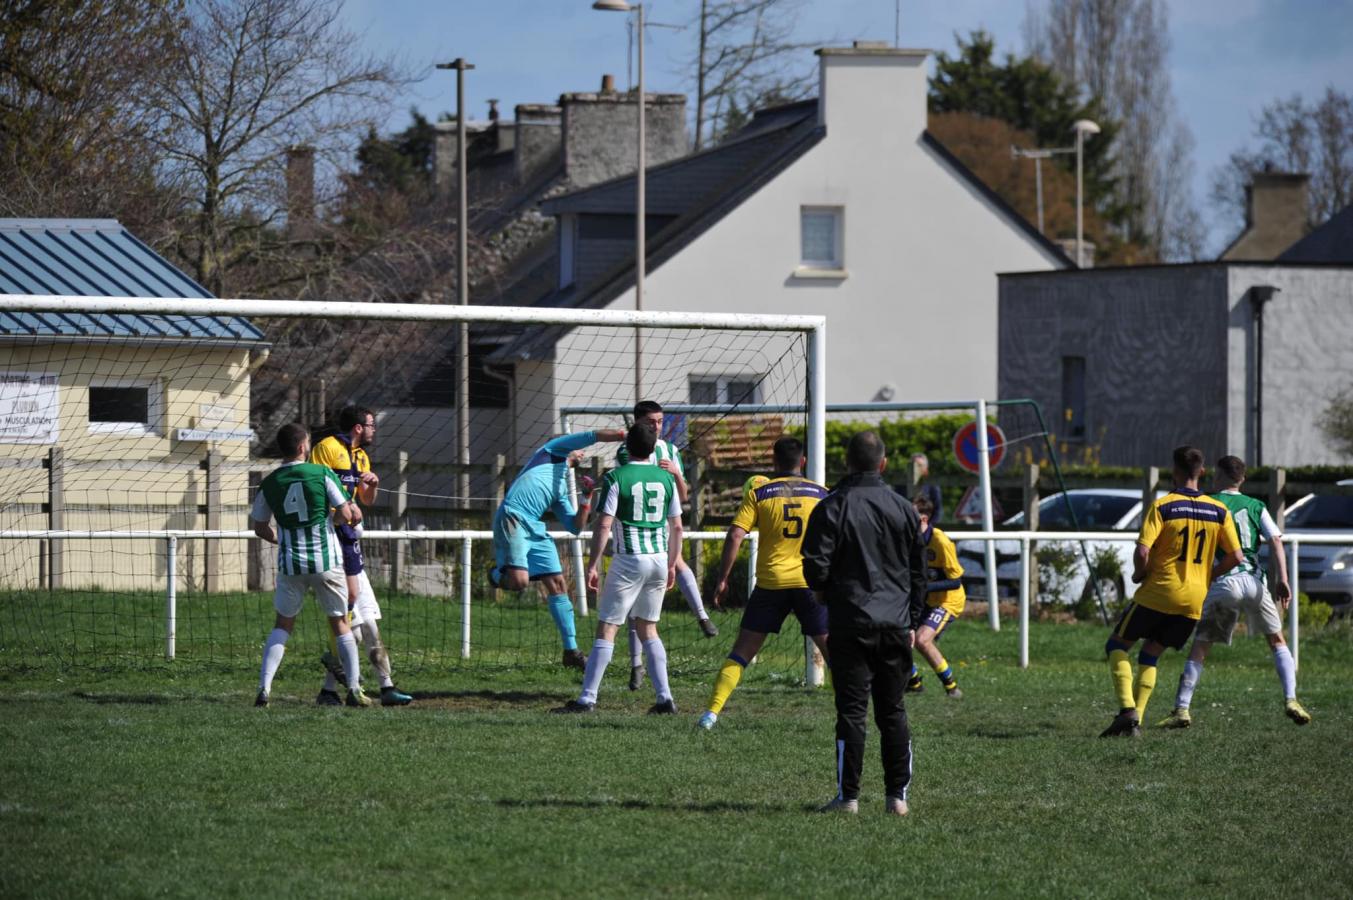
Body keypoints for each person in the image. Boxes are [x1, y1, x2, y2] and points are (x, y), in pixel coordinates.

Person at [802, 431, 927, 816]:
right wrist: (913, 620)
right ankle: (897, 799)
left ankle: (848, 798)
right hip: (894, 624)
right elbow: (919, 572)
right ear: (884, 463)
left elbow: (814, 564)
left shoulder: (832, 506)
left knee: (852, 712)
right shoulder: (905, 508)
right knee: (893, 711)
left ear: (848, 463)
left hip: (849, 622)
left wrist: (823, 595)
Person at [1100, 446, 1244, 738]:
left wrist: (1140, 574)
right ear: (1201, 472)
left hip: (1160, 591)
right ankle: (1135, 721)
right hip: (1193, 599)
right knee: (1151, 653)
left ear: (1174, 471)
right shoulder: (1219, 510)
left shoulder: (1164, 506)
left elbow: (1143, 551)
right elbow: (1236, 557)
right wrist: (1207, 576)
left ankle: (1127, 710)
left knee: (1116, 646)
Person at [1158, 456, 1311, 728]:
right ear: (1242, 480)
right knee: (1277, 641)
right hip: (1254, 582)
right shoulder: (1255, 505)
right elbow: (1276, 540)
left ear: (1218, 476)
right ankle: (1291, 698)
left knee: (1202, 646)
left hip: (1225, 582)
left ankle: (1181, 709)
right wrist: (1283, 579)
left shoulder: (1209, 501)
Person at [697, 436, 829, 731]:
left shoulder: (761, 492)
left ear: (774, 462)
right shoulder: (822, 494)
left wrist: (722, 579)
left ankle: (711, 714)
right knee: (832, 650)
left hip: (771, 583)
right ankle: (850, 709)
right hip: (810, 583)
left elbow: (734, 535)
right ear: (803, 462)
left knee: (742, 652)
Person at [554, 422, 683, 713]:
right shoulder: (666, 478)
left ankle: (587, 699)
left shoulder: (615, 477)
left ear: (625, 448)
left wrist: (592, 564)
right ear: (653, 447)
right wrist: (673, 563)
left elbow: (604, 524)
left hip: (629, 560)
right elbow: (677, 526)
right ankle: (665, 698)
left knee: (608, 627)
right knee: (648, 628)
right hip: (659, 558)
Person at [252, 423, 370, 708]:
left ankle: (264, 689)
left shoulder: (269, 483)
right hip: (325, 561)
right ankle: (354, 689)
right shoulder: (321, 473)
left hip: (291, 563)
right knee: (341, 623)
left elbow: (259, 527)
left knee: (283, 625)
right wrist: (342, 519)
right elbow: (345, 512)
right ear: (303, 447)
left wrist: (281, 539)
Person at [490, 425, 626, 668]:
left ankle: (571, 651)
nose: (579, 448)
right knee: (519, 582)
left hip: (535, 526)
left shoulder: (561, 486)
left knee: (558, 583)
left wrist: (586, 499)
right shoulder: (550, 451)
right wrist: (623, 435)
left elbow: (575, 527)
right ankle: (495, 574)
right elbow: (592, 435)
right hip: (514, 517)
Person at [310, 405, 413, 707]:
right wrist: (339, 512)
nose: (373, 430)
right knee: (355, 625)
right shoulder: (326, 448)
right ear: (358, 427)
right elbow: (315, 492)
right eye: (370, 425)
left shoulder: (361, 457)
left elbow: (363, 502)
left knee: (364, 622)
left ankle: (340, 690)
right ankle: (367, 686)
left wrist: (372, 487)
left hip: (351, 541)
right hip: (330, 542)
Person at [616, 401, 718, 694]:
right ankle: (636, 665)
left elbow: (684, 495)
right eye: (651, 421)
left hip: (663, 524)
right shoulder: (628, 451)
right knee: (638, 610)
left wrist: (675, 472)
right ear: (638, 423)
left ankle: (701, 616)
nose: (657, 427)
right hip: (636, 531)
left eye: (660, 421)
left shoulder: (669, 450)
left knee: (678, 565)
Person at [906, 494, 966, 699]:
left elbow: (956, 581)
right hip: (924, 598)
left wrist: (925, 587)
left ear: (923, 519)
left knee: (922, 640)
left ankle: (952, 687)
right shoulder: (909, 539)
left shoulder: (941, 541)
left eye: (910, 515)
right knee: (898, 635)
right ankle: (913, 683)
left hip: (947, 601)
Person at [900, 453, 942, 523]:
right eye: (913, 465)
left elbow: (937, 510)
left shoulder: (932, 487)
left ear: (925, 469)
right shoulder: (901, 486)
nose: (915, 468)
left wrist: (928, 529)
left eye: (919, 465)